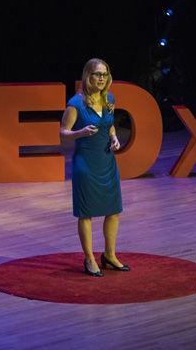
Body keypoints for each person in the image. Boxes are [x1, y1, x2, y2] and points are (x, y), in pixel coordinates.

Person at [60, 58, 130, 277]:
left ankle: (109, 255)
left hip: (107, 161)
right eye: (97, 74)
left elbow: (108, 125)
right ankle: (89, 258)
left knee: (114, 210)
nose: (101, 78)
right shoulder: (76, 103)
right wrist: (80, 133)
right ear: (87, 76)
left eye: (104, 74)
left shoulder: (109, 98)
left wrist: (114, 137)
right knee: (86, 213)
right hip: (86, 164)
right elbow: (63, 132)